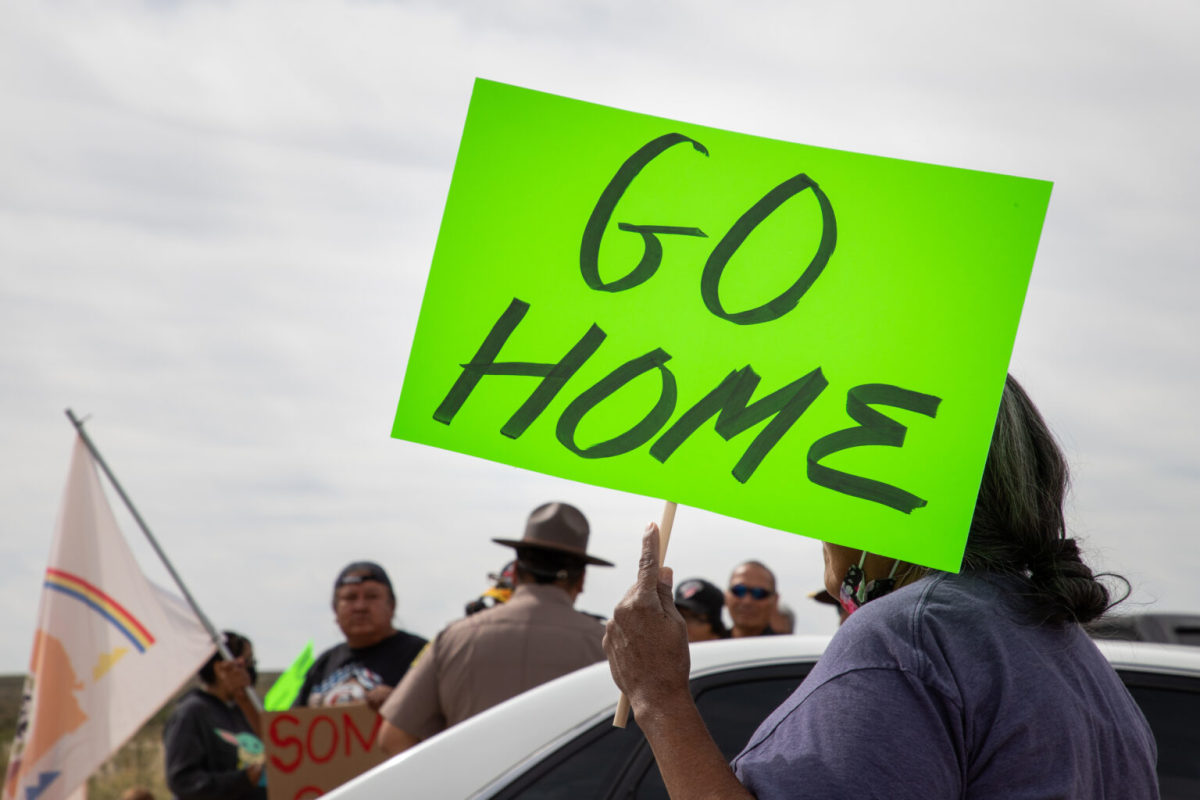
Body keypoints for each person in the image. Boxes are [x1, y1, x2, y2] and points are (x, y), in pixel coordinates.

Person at [604, 375, 1157, 799]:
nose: (817, 519)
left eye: (831, 469)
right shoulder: (1079, 664)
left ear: (890, 498)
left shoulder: (912, 639)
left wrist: (659, 694)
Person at [378, 502, 612, 755]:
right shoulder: (608, 648)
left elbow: (393, 737)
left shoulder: (454, 638)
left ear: (514, 573)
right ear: (581, 580)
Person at [295, 561, 427, 710]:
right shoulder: (323, 664)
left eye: (372, 597)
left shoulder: (422, 655)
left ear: (392, 605)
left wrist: (399, 701)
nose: (360, 607)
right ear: (335, 609)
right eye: (350, 598)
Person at [163, 631, 265, 800]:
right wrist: (241, 780)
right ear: (220, 668)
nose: (250, 671)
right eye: (247, 662)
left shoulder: (246, 710)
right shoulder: (191, 713)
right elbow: (182, 781)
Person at [725, 560, 779, 637]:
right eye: (739, 590)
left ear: (775, 600)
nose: (747, 601)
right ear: (726, 596)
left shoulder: (786, 648)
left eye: (759, 593)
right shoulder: (710, 646)